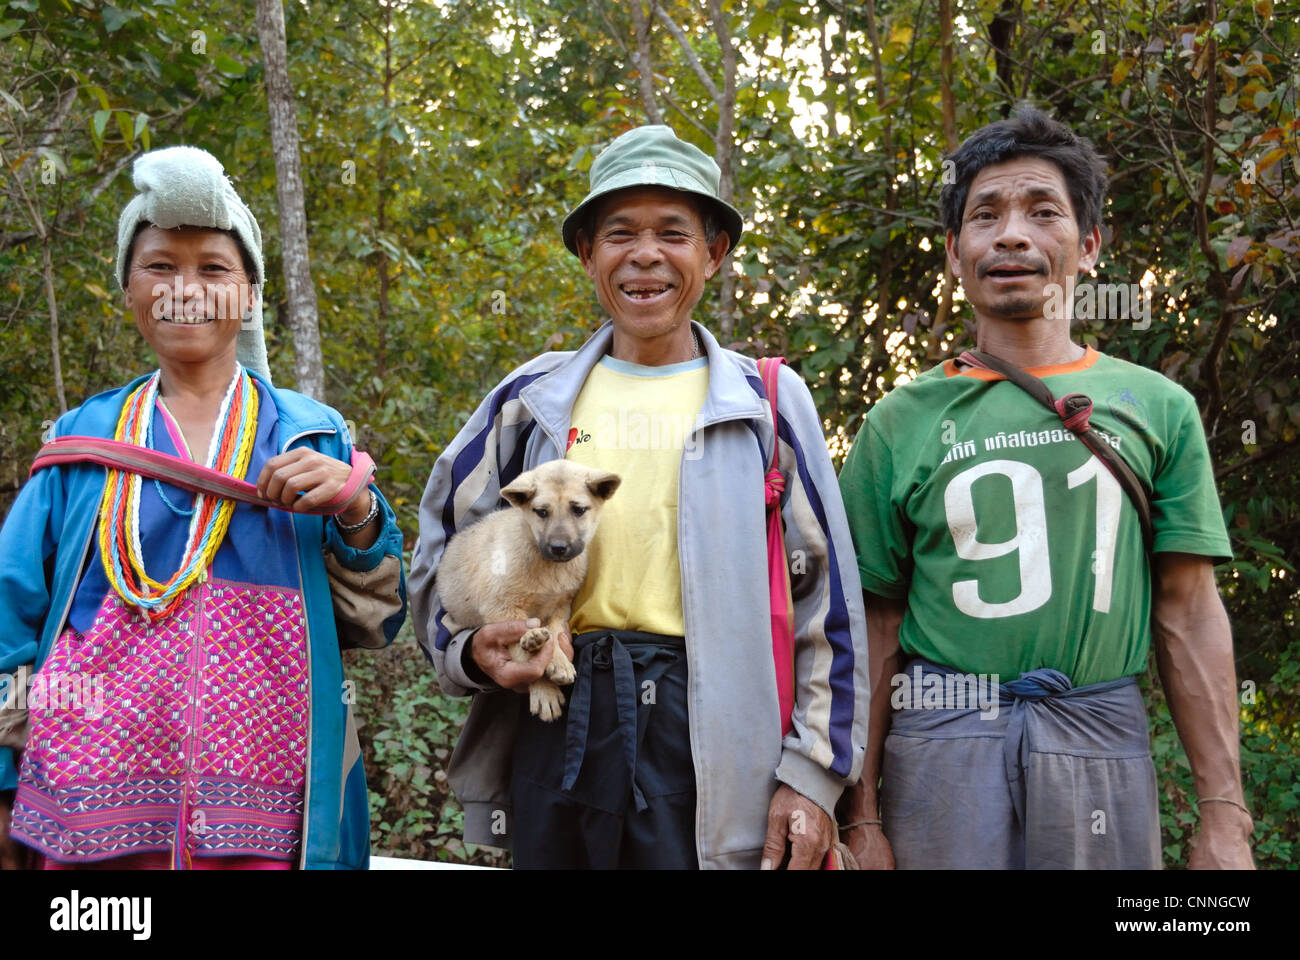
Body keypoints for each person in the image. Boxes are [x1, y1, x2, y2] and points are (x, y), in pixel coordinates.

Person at [410, 124, 867, 869]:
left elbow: (829, 601)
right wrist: (467, 651)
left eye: (673, 233)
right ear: (588, 254)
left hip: (710, 730)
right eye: (619, 233)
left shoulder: (763, 405)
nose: (645, 255)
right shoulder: (531, 401)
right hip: (556, 712)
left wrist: (813, 776)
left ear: (713, 253)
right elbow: (441, 541)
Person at [837, 107, 1254, 869]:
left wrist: (1224, 814)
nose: (1011, 235)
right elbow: (873, 628)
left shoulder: (1157, 407)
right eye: (984, 216)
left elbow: (1188, 610)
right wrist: (860, 817)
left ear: (1088, 245)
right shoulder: (899, 421)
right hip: (941, 738)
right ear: (958, 254)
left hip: (1101, 736)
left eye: (1043, 212)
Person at [0, 145, 406, 870]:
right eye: (160, 265)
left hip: (265, 806)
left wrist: (356, 510)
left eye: (214, 269)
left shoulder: (310, 434)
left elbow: (378, 619)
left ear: (249, 294)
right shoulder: (82, 440)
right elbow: (13, 612)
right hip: (89, 798)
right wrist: (3, 782)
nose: (185, 287)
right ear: (128, 287)